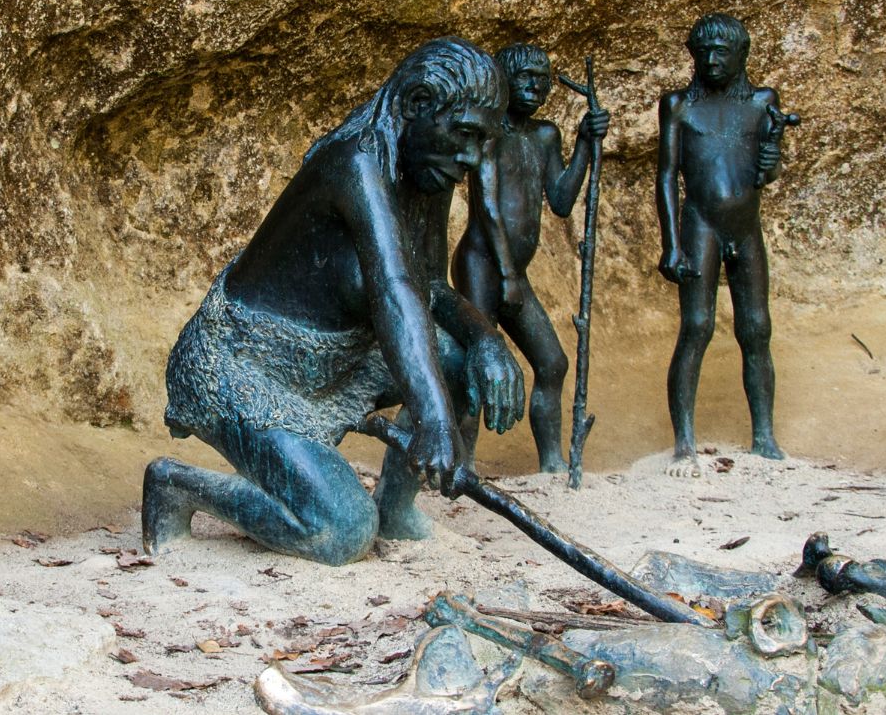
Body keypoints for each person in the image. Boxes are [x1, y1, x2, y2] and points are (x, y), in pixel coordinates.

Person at [142, 38, 525, 566]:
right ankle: (178, 486)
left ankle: (397, 510)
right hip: (246, 371)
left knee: (459, 362)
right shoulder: (355, 163)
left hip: (339, 363)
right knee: (342, 531)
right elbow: (396, 291)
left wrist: (486, 340)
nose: (473, 158)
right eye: (465, 134)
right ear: (417, 105)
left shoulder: (427, 171)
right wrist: (435, 419)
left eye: (482, 141)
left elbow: (429, 288)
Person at [451, 43, 609, 474]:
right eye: (526, 78)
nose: (536, 87)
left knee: (553, 363)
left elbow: (561, 200)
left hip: (512, 271)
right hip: (482, 265)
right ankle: (462, 465)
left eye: (542, 79)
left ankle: (552, 462)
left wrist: (585, 144)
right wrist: (507, 274)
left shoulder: (544, 137)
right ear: (504, 81)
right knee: (475, 364)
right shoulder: (489, 133)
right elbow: (488, 208)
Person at [656, 13, 791, 471]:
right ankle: (684, 441)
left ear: (741, 55)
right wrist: (672, 243)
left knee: (756, 328)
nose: (712, 60)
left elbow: (768, 172)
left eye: (721, 52)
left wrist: (772, 161)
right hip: (701, 223)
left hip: (746, 226)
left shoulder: (762, 102)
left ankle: (764, 435)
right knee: (697, 326)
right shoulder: (679, 105)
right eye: (704, 52)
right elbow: (667, 176)